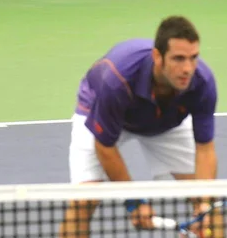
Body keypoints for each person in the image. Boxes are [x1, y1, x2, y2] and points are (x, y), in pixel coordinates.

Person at [59, 15, 218, 237]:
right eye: (178, 59)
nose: (188, 68)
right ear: (157, 57)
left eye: (193, 58)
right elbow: (105, 147)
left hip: (166, 123)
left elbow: (205, 148)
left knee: (212, 208)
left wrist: (204, 204)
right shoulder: (117, 80)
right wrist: (134, 201)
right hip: (103, 113)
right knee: (84, 200)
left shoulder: (202, 82)